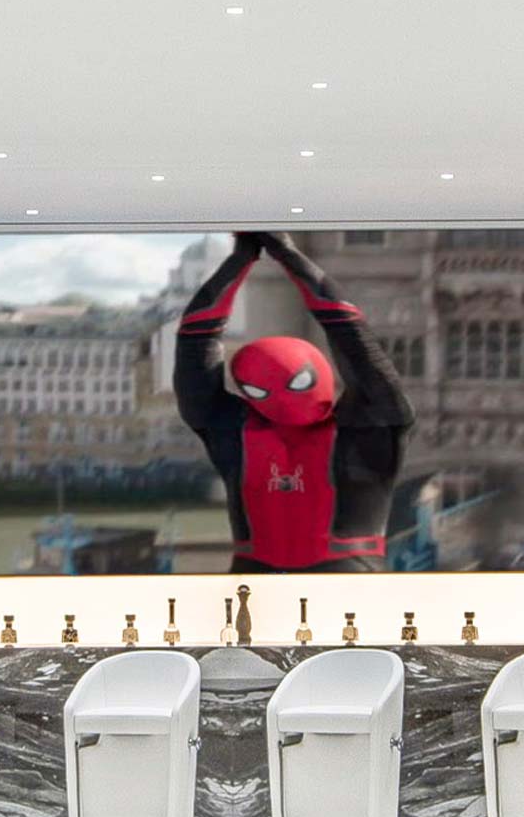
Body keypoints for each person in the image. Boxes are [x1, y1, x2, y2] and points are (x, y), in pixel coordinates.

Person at [173, 231, 413, 572]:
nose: (285, 400)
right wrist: (285, 256)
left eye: (296, 383)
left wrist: (243, 260)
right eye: (262, 390)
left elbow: (194, 341)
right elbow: (353, 337)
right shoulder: (371, 424)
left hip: (267, 579)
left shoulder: (229, 428)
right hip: (339, 577)